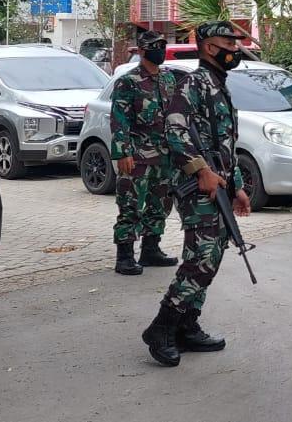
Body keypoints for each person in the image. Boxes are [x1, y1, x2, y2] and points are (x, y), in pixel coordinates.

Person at [140, 21, 253, 367]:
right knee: (200, 259)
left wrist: (238, 187)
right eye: (228, 43)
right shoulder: (194, 82)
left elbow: (223, 145)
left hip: (219, 186)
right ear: (207, 46)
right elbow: (174, 129)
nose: (234, 50)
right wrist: (200, 170)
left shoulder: (219, 86)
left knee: (213, 256)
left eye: (236, 43)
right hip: (198, 187)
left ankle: (187, 325)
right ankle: (162, 326)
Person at [110, 27, 180, 274]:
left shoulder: (168, 79)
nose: (159, 51)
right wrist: (122, 153)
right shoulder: (128, 82)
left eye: (162, 46)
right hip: (137, 157)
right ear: (141, 51)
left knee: (160, 204)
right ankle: (125, 256)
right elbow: (120, 119)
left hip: (165, 156)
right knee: (130, 205)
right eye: (154, 47)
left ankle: (151, 250)